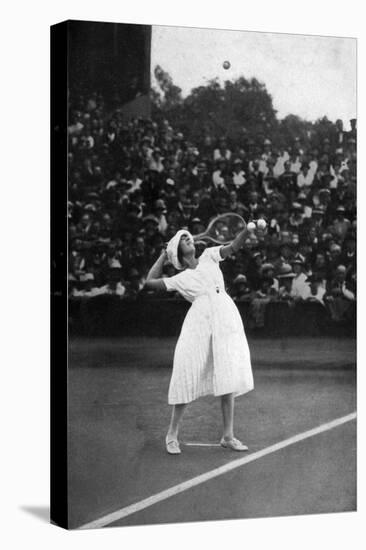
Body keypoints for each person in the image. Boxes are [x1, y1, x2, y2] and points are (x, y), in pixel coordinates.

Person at [144, 228, 254, 455]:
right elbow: (149, 282)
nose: (188, 239)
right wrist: (163, 256)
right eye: (183, 239)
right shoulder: (181, 278)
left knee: (228, 375)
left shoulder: (210, 255)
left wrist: (246, 229)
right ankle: (172, 435)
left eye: (189, 236)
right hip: (199, 323)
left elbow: (233, 246)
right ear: (177, 250)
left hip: (225, 318)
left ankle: (228, 436)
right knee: (186, 371)